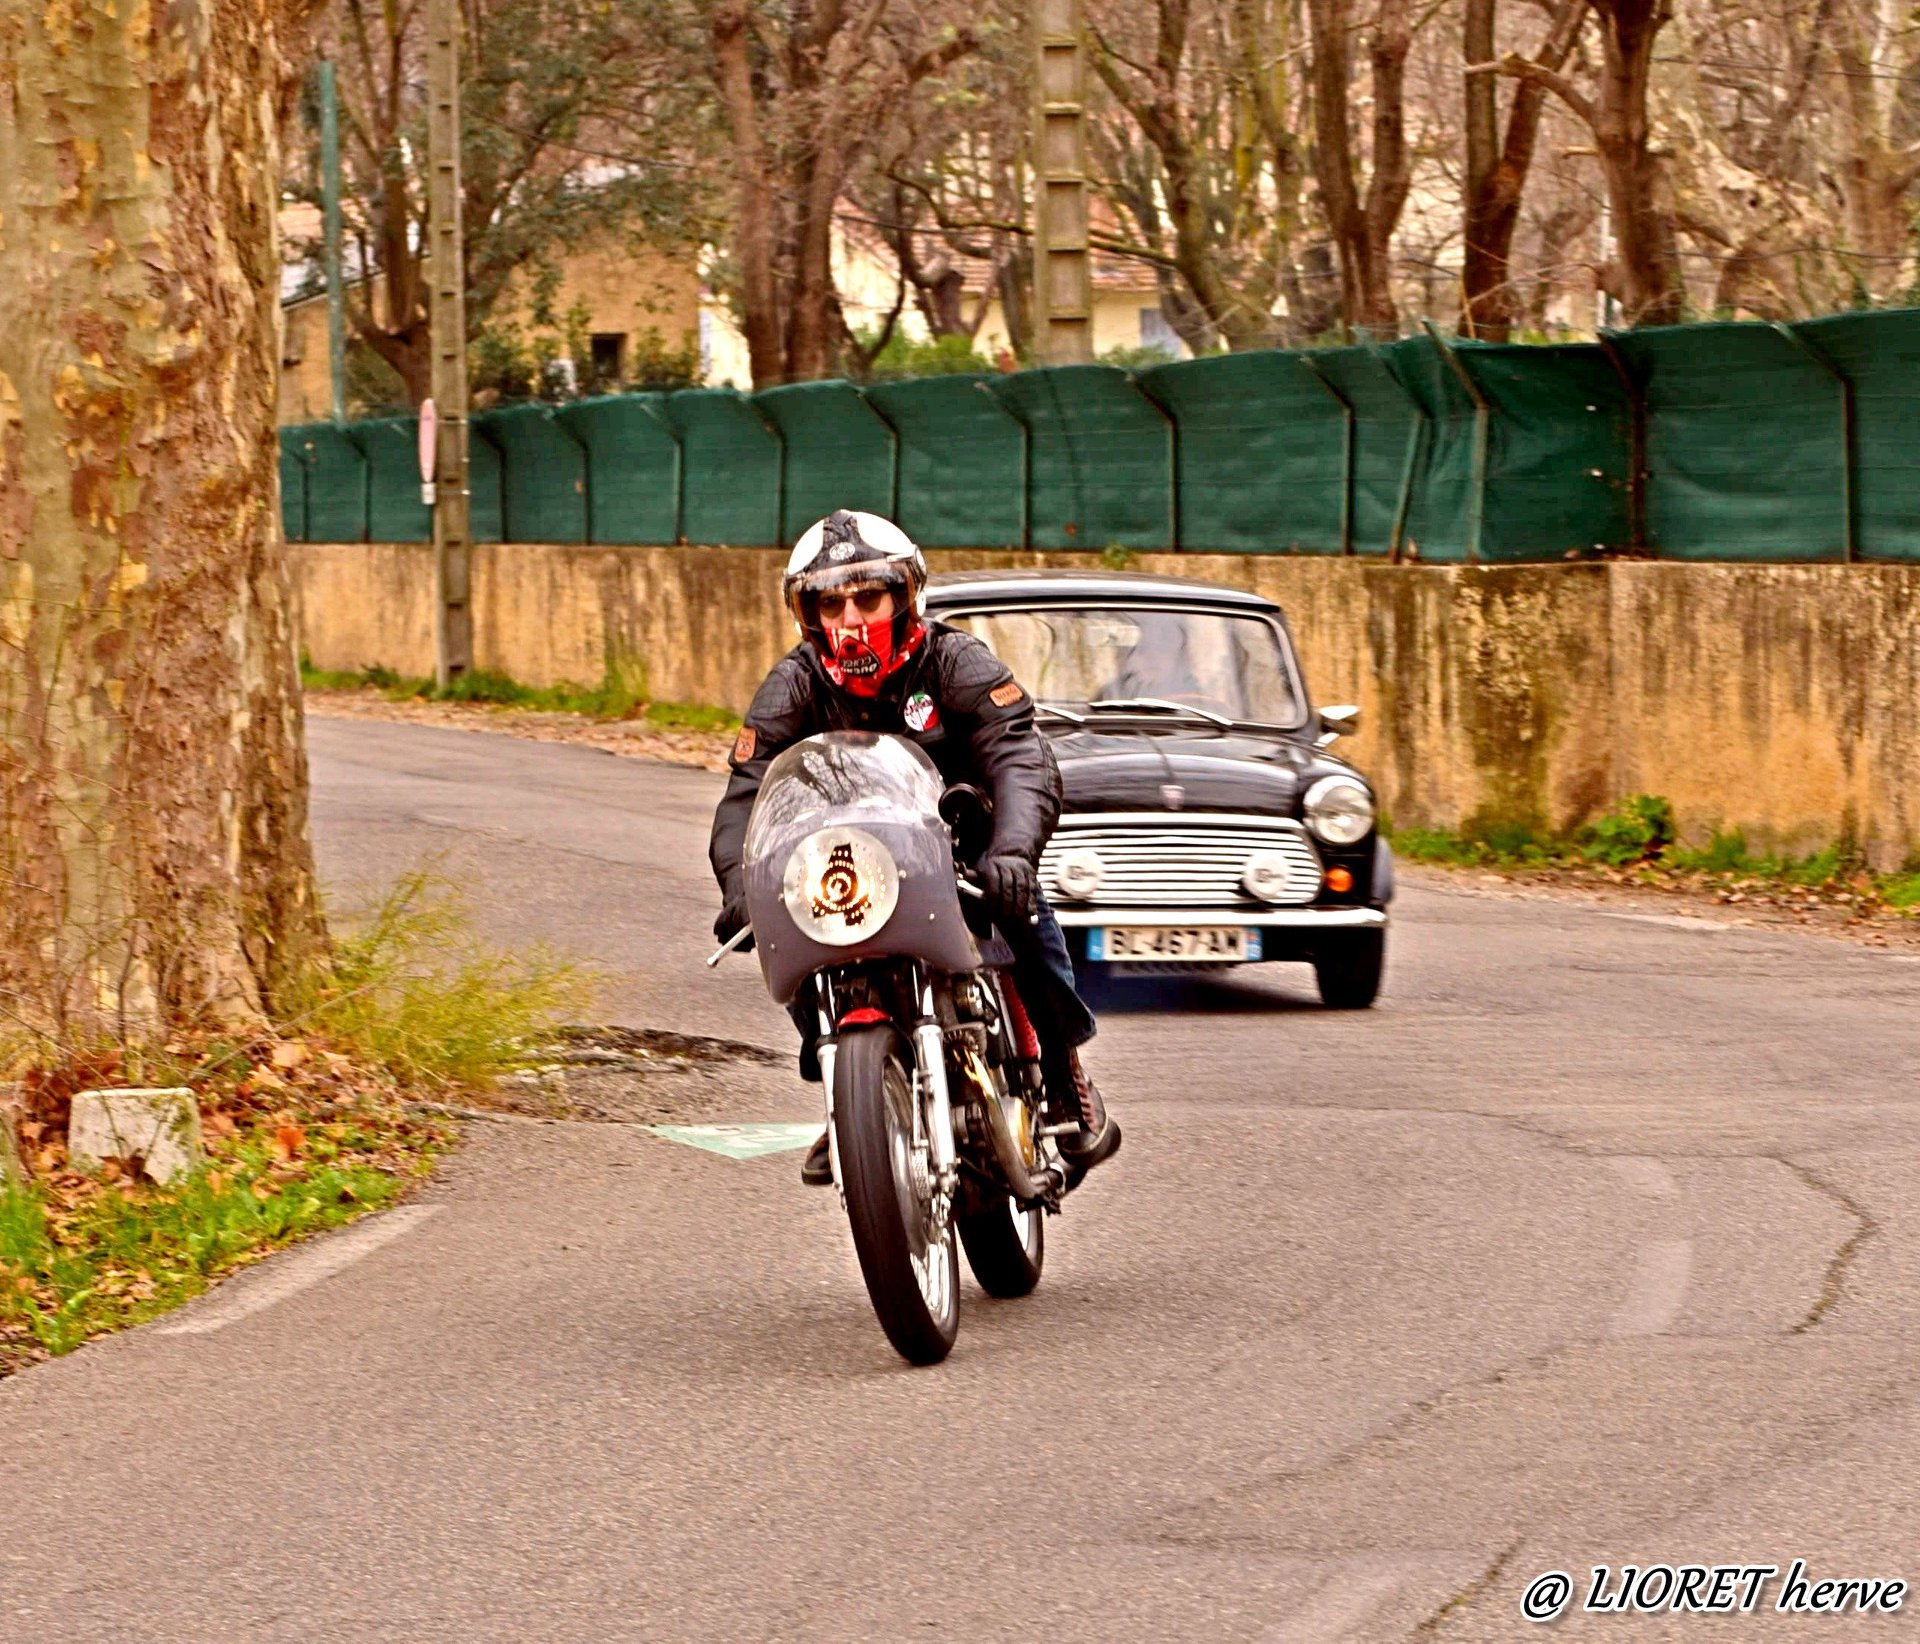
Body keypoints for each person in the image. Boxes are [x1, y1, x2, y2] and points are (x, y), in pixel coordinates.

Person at [709, 509, 1120, 1188]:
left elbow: (1020, 754)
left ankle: (1063, 1068)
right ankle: (852, 1092)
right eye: (830, 602)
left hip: (964, 857)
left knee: (1027, 921)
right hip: (850, 870)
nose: (851, 616)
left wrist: (1014, 851)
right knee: (784, 916)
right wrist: (737, 884)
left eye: (868, 597)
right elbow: (748, 791)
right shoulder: (793, 684)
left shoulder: (956, 662)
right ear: (808, 615)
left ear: (905, 597)